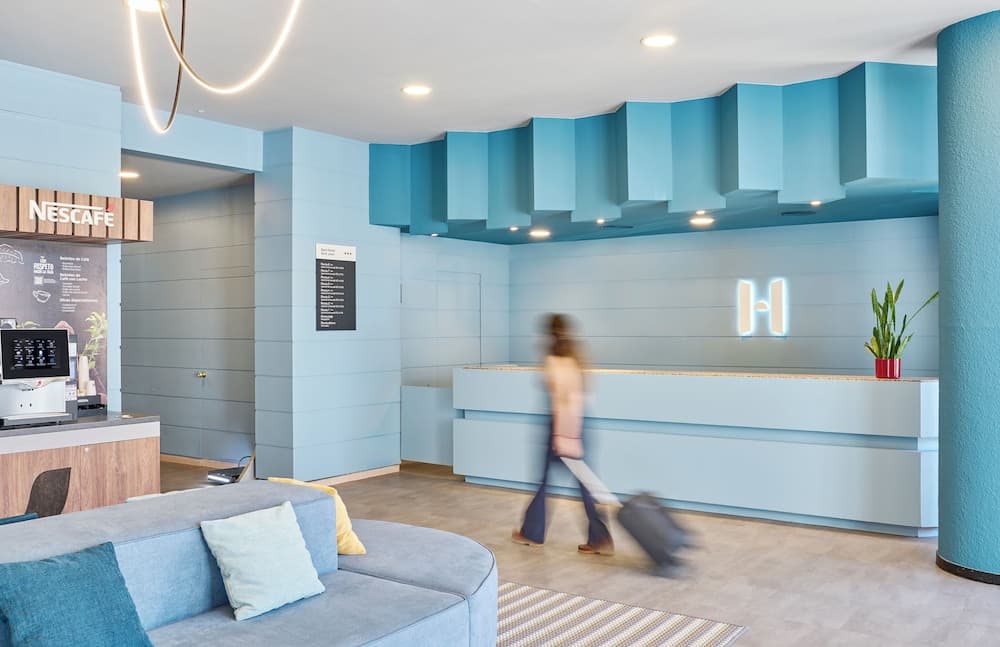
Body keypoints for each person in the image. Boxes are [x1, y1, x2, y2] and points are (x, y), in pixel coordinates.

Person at [511, 314, 614, 555]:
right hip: (579, 426)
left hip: (563, 429)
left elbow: (566, 402)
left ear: (549, 336)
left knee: (548, 482)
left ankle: (533, 533)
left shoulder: (555, 362)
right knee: (580, 485)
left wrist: (564, 437)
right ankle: (599, 538)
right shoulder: (577, 359)